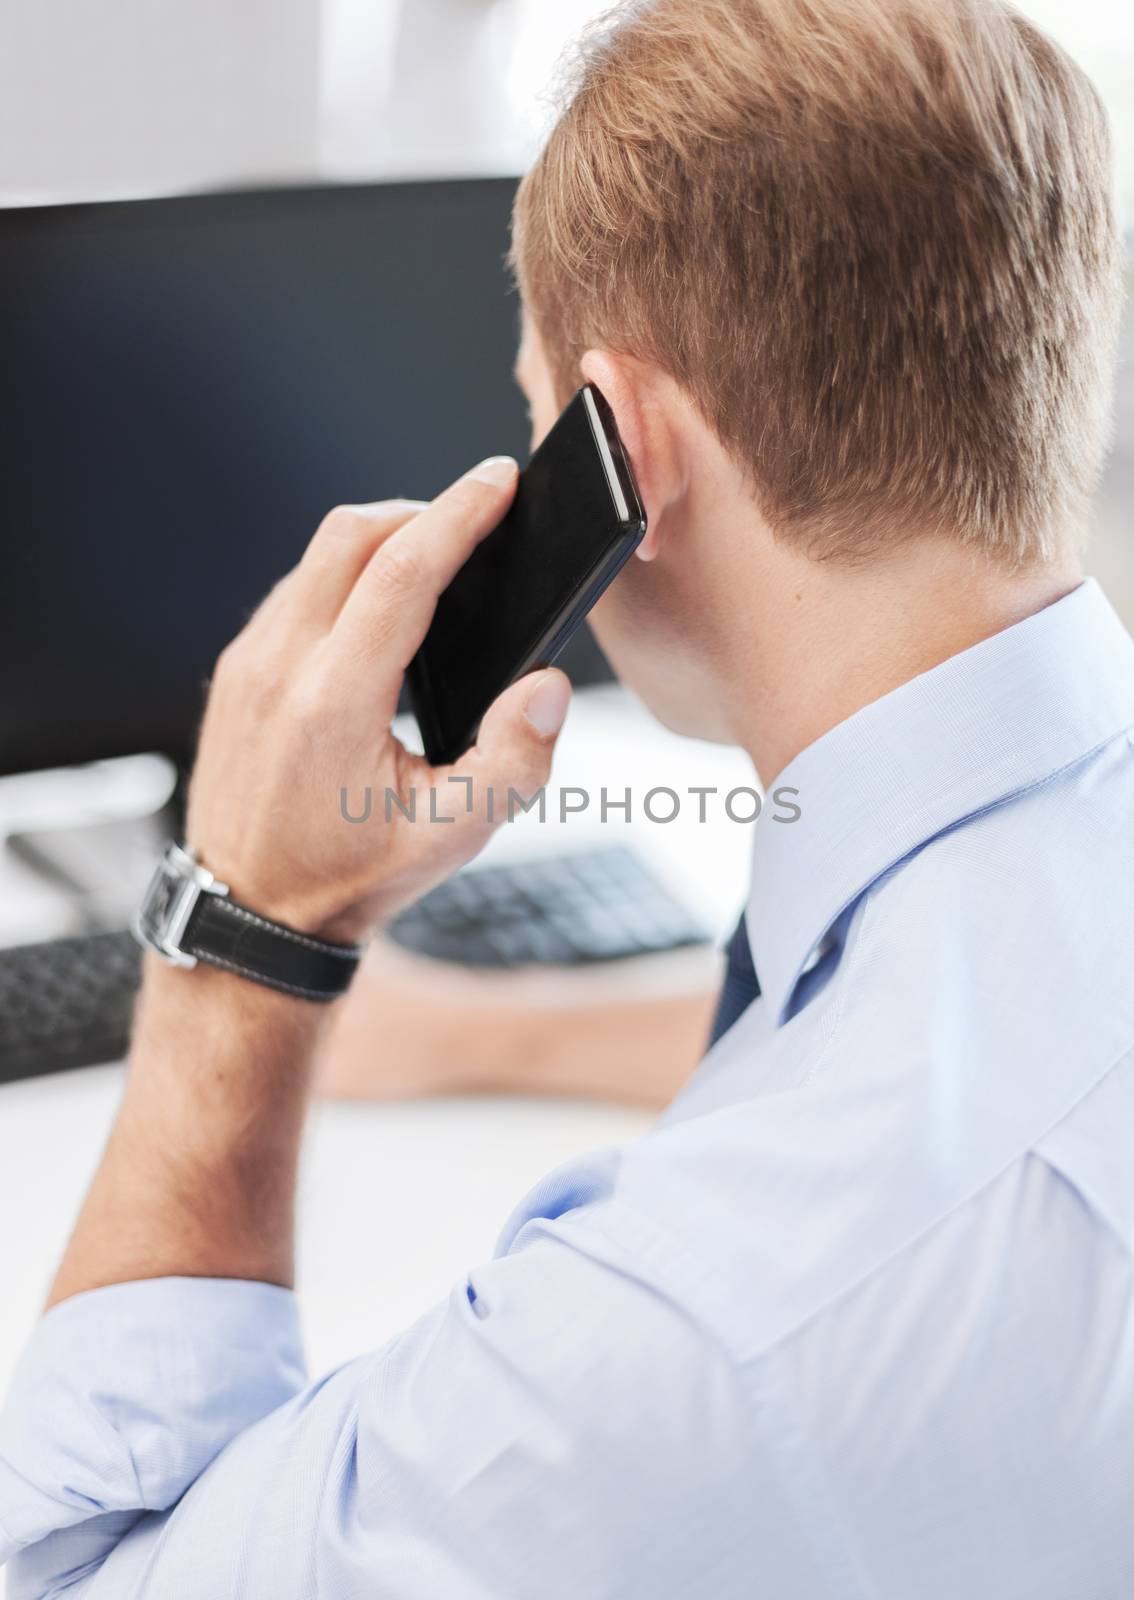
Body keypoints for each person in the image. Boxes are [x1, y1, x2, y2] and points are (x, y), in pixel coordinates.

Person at [2, 0, 1131, 1593]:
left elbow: (80, 1572)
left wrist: (249, 933)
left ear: (630, 453)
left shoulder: (683, 1345)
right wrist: (489, 1034)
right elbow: (920, 1048)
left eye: (540, 417)